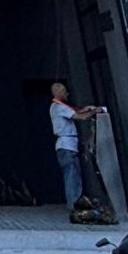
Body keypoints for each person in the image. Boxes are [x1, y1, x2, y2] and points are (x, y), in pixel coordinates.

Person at [49, 82, 100, 210]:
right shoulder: (59, 107)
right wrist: (95, 111)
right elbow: (80, 117)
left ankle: (76, 202)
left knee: (74, 175)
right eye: (64, 91)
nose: (67, 94)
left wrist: (86, 109)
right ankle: (74, 204)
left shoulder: (55, 107)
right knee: (72, 176)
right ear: (59, 92)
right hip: (67, 145)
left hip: (67, 145)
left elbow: (75, 111)